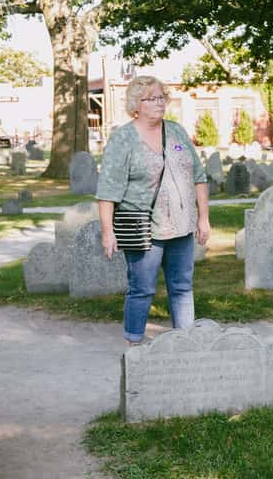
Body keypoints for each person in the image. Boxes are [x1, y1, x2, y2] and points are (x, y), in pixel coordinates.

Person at [97, 77, 211, 345]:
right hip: (143, 226)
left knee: (182, 287)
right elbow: (108, 190)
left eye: (162, 97)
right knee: (142, 289)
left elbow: (199, 175)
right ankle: (134, 342)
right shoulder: (123, 138)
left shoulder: (177, 132)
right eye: (152, 98)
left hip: (182, 226)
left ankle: (186, 343)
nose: (160, 103)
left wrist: (203, 218)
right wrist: (107, 232)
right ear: (137, 104)